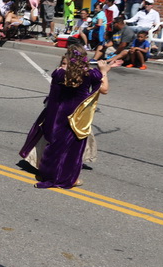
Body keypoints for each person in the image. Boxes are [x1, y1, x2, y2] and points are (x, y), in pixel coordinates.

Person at [19, 44, 113, 189]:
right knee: (72, 150)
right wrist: (104, 71)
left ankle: (47, 173)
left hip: (59, 113)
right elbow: (104, 89)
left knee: (54, 145)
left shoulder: (59, 74)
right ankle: (67, 178)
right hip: (77, 115)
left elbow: (54, 94)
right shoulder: (90, 74)